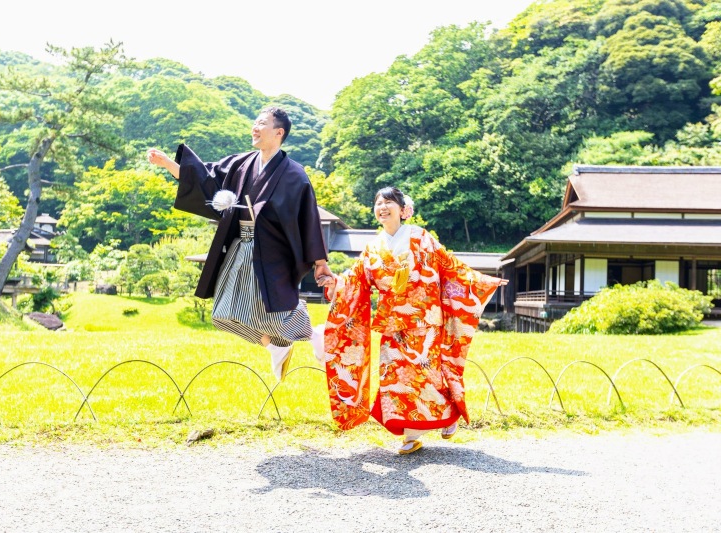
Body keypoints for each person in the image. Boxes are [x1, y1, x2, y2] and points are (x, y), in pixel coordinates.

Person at [146, 107, 332, 381]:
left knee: (274, 311)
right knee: (224, 313)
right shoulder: (241, 163)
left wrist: (320, 263)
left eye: (262, 124)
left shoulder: (295, 175)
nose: (255, 128)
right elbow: (206, 181)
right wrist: (169, 166)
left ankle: (314, 335)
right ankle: (275, 345)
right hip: (240, 246)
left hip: (273, 253)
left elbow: (309, 219)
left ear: (279, 132)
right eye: (255, 123)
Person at [317, 187, 507, 454]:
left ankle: (446, 415)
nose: (382, 207)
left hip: (423, 319)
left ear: (403, 209)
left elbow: (449, 266)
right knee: (394, 378)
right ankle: (411, 434)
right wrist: (335, 281)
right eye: (378, 203)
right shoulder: (373, 247)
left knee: (424, 375)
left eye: (389, 202)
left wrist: (483, 281)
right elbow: (355, 278)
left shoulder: (421, 237)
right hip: (391, 321)